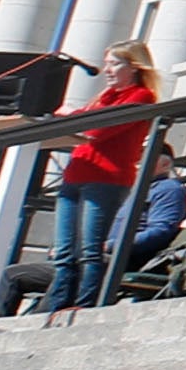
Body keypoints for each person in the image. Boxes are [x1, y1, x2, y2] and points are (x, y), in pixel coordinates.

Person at [45, 40, 160, 311]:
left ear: (133, 67)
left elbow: (96, 130)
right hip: (75, 176)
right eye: (106, 63)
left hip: (105, 180)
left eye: (115, 64)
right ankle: (57, 305)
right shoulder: (103, 98)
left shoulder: (141, 96)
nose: (107, 70)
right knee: (64, 251)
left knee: (89, 249)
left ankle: (84, 306)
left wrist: (74, 114)